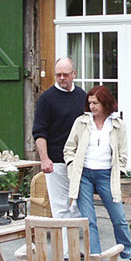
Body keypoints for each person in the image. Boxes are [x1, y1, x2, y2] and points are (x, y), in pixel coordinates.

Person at [63, 86, 131, 261]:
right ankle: (95, 258)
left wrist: (118, 169)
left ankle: (128, 251)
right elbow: (69, 149)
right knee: (89, 219)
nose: (92, 106)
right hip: (84, 175)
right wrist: (71, 165)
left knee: (119, 217)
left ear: (105, 103)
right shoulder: (81, 122)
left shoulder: (117, 125)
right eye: (90, 103)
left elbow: (123, 154)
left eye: (95, 103)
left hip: (106, 175)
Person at [32, 58, 87, 219]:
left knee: (80, 206)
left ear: (74, 74)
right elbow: (39, 131)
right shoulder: (46, 99)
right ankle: (63, 243)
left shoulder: (82, 96)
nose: (62, 78)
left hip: (79, 161)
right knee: (60, 208)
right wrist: (44, 159)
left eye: (65, 74)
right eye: (58, 75)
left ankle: (75, 242)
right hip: (56, 162)